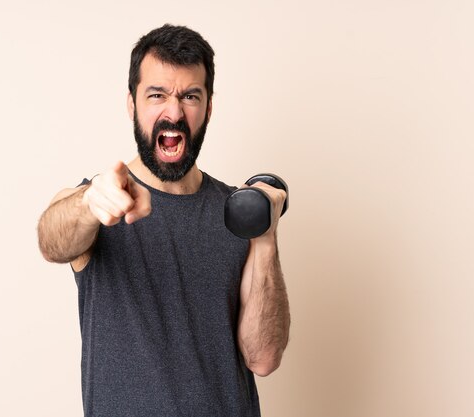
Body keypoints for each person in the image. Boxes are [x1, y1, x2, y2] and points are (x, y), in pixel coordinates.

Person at [37, 24, 290, 417]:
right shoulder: (103, 199)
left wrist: (265, 236)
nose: (174, 112)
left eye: (190, 96)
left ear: (208, 107)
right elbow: (52, 241)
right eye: (157, 95)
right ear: (131, 103)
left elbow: (263, 357)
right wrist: (89, 204)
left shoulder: (236, 213)